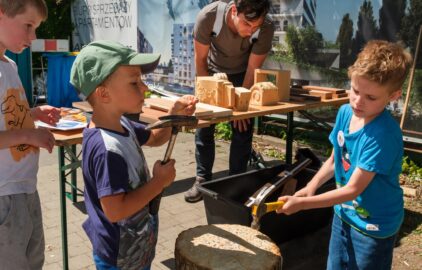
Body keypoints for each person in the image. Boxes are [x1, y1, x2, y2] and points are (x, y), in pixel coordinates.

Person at [276, 40, 412, 269]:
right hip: (344, 214)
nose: (358, 102)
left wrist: (304, 204)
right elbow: (333, 160)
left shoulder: (382, 135)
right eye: (355, 90)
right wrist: (312, 186)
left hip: (374, 226)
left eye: (371, 98)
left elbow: (353, 189)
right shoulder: (345, 113)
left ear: (394, 95)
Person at [70, 40, 197, 270]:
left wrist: (172, 115)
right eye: (134, 82)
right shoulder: (106, 149)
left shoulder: (122, 124)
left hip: (136, 247)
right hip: (118, 258)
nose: (145, 88)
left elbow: (156, 137)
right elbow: (116, 210)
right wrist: (158, 182)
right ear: (104, 94)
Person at [185, 0, 275, 202]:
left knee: (242, 126)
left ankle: (236, 181)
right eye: (247, 24)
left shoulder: (266, 27)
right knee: (204, 126)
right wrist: (206, 96)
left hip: (244, 76)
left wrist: (240, 105)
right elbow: (200, 60)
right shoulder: (208, 17)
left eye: (256, 26)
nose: (251, 30)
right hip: (211, 73)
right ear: (234, 10)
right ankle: (202, 178)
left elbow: (253, 68)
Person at [0, 1, 61, 269]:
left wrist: (33, 114)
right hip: (4, 197)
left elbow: (7, 114)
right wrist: (29, 135)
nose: (33, 37)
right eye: (28, 25)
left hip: (25, 189)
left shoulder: (10, 66)